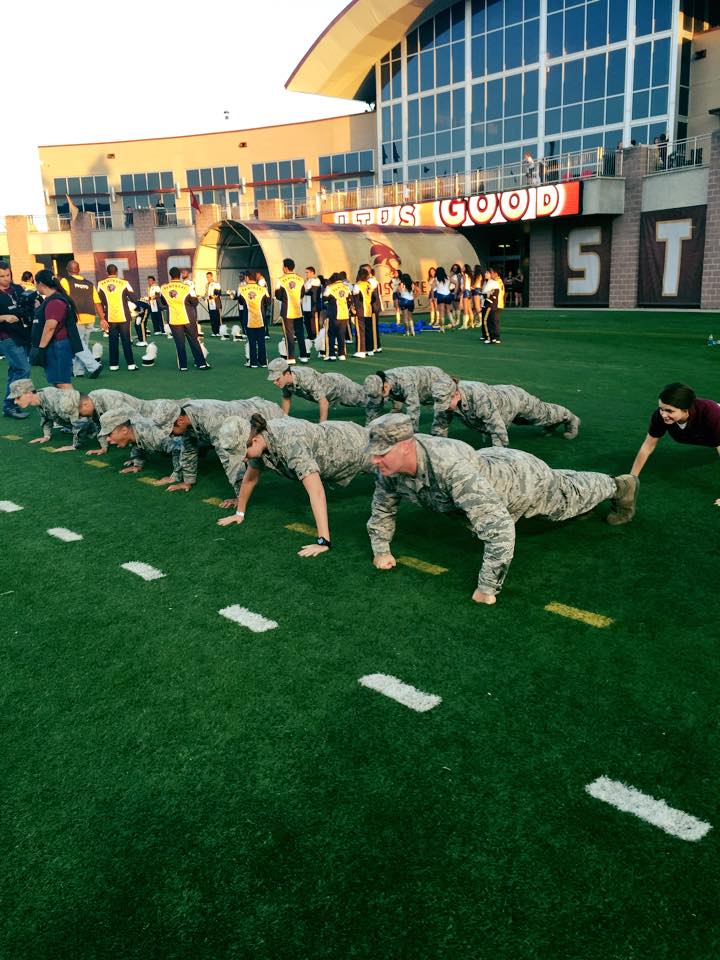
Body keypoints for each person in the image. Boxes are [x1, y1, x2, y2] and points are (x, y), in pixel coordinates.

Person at [365, 413, 639, 605]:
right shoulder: (388, 468)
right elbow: (382, 508)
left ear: (406, 446)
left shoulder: (452, 471)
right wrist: (382, 550)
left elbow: (501, 530)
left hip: (523, 481)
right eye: (374, 453)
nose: (375, 460)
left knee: (569, 499)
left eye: (382, 453)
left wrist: (487, 588)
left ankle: (621, 486)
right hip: (490, 465)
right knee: (564, 482)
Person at [217, 412, 373, 557]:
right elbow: (250, 478)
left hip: (354, 447)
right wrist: (239, 513)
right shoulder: (258, 440)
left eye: (243, 454)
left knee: (386, 471)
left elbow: (317, 492)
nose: (244, 459)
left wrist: (323, 542)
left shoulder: (291, 443)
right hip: (335, 441)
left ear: (254, 441)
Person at [166, 397, 286, 492]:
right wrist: (187, 482)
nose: (170, 435)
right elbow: (189, 449)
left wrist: (239, 497)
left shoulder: (212, 422)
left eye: (170, 431)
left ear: (180, 420)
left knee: (281, 449)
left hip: (267, 413)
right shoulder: (185, 414)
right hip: (251, 410)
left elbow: (232, 460)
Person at [629, 383, 720, 499]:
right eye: (661, 409)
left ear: (685, 410)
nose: (664, 414)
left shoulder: (711, 414)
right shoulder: (659, 417)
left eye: (669, 411)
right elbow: (647, 446)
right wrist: (631, 479)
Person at [434, 378, 581, 444]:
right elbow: (440, 425)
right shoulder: (443, 393)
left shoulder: (479, 398)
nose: (445, 407)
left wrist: (498, 457)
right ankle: (551, 425)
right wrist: (439, 447)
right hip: (499, 399)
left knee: (543, 414)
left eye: (447, 403)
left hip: (513, 398)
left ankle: (570, 419)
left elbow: (497, 428)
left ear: (456, 394)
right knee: (523, 422)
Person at [80, 388, 183, 472]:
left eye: (110, 434)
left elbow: (181, 448)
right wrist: (137, 463)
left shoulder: (152, 433)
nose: (108, 439)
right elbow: (136, 440)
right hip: (152, 416)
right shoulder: (134, 431)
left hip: (162, 411)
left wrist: (176, 476)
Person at [267, 357, 365, 421]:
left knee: (367, 398)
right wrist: (284, 419)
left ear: (287, 374)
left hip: (340, 388)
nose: (275, 382)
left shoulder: (305, 378)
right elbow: (286, 397)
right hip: (329, 392)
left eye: (277, 379)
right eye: (273, 379)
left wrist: (322, 426)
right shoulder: (285, 381)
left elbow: (323, 402)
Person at [31, 270, 84, 387]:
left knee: (62, 384)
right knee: (57, 382)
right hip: (57, 345)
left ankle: (72, 400)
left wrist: (41, 349)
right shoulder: (52, 299)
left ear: (41, 283)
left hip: (57, 346)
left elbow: (50, 327)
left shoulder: (55, 301)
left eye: (36, 283)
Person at [364, 365, 455, 433]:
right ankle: (397, 407)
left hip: (433, 380)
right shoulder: (377, 382)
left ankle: (439, 436)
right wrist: (368, 431)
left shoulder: (405, 383)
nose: (379, 397)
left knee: (443, 409)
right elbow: (372, 408)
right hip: (411, 383)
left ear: (386, 386)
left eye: (380, 394)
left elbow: (413, 409)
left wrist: (411, 434)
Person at [9, 379, 90, 451]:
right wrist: (46, 436)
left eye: (18, 397)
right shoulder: (38, 399)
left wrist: (75, 445)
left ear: (29, 393)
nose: (15, 402)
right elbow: (46, 416)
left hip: (92, 424)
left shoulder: (55, 398)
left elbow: (80, 421)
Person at [60, 260, 105, 379]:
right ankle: (78, 371)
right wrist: (102, 318)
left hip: (76, 316)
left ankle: (94, 366)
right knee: (82, 344)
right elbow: (97, 302)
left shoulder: (65, 281)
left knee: (77, 344)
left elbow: (63, 298)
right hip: (90, 316)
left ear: (67, 269)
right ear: (79, 270)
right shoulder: (89, 284)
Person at [161, 266, 209, 371]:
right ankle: (201, 363)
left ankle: (183, 366)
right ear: (179, 275)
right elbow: (195, 302)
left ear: (170, 275)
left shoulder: (164, 288)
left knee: (179, 343)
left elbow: (163, 302)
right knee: (194, 340)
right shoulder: (187, 287)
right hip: (188, 318)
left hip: (174, 319)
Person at [0, 260, 32, 419]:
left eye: (8, 275)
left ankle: (9, 405)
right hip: (6, 336)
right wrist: (3, 317)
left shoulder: (17, 288)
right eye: (2, 276)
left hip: (22, 333)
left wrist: (34, 302)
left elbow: (26, 306)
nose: (6, 278)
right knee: (23, 369)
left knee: (15, 371)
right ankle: (12, 404)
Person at [97, 265, 137, 371]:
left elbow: (99, 301)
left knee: (112, 340)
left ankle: (113, 365)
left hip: (110, 317)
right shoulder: (124, 283)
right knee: (126, 340)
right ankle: (131, 364)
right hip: (124, 317)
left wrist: (102, 316)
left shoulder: (100, 284)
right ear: (117, 272)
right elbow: (133, 298)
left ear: (107, 272)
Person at [275, 258, 308, 364]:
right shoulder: (300, 279)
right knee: (300, 334)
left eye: (282, 266)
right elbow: (302, 293)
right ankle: (304, 356)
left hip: (287, 312)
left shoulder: (280, 279)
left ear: (285, 267)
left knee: (289, 335)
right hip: (298, 310)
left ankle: (291, 357)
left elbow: (278, 295)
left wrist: (285, 299)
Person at [237, 274, 268, 368]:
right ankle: (263, 362)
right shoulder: (263, 289)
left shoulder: (242, 289)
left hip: (249, 319)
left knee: (252, 341)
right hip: (260, 319)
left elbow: (240, 301)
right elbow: (268, 301)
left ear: (247, 278)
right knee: (261, 341)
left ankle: (253, 363)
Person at [324, 273, 351, 361]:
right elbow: (350, 300)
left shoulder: (330, 287)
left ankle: (331, 354)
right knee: (341, 335)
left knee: (331, 334)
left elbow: (324, 299)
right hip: (344, 314)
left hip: (333, 314)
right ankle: (341, 354)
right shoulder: (346, 287)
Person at [352, 266, 375, 358]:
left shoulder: (358, 285)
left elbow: (354, 296)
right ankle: (370, 349)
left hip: (360, 310)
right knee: (368, 330)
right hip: (368, 310)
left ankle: (360, 351)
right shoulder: (369, 284)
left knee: (360, 331)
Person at [302, 266, 322, 341]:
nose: (306, 274)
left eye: (307, 272)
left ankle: (315, 335)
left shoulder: (316, 281)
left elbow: (312, 292)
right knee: (307, 320)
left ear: (312, 273)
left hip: (313, 304)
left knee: (313, 320)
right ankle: (310, 335)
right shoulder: (308, 281)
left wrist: (304, 291)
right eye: (306, 272)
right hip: (306, 304)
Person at [433, 266, 455, 331]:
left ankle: (442, 327)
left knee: (441, 312)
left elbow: (432, 289)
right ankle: (453, 324)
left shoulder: (436, 279)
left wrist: (433, 297)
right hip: (448, 295)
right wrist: (455, 292)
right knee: (448, 310)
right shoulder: (448, 278)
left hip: (440, 296)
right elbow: (457, 283)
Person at [205, 271, 222, 336]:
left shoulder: (216, 284)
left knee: (217, 317)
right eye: (207, 277)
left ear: (212, 277)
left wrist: (210, 297)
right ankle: (214, 331)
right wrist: (204, 297)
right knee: (212, 318)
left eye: (209, 277)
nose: (208, 278)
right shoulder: (207, 285)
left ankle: (218, 331)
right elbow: (206, 294)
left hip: (216, 303)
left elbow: (218, 293)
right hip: (210, 303)